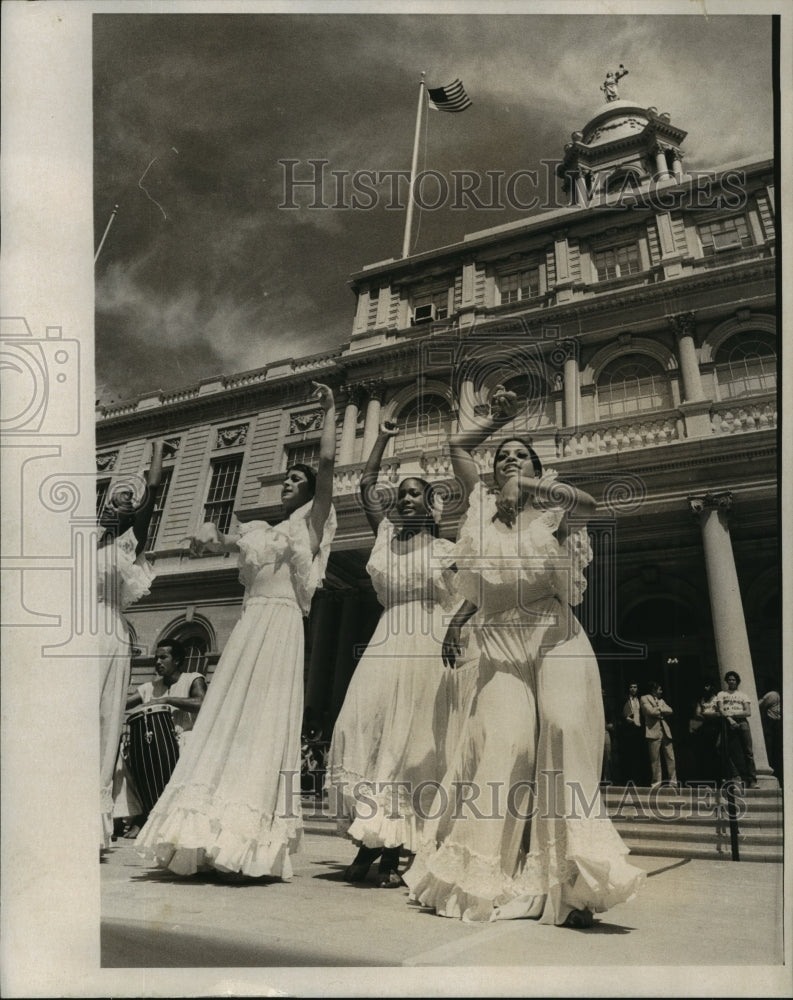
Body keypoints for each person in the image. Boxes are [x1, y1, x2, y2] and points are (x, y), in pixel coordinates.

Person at [404, 386, 645, 927]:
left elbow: (589, 504)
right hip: (500, 645)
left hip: (554, 636)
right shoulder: (481, 505)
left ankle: (573, 884)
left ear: (537, 467)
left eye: (521, 454)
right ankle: (488, 875)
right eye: (503, 456)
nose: (508, 459)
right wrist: (497, 419)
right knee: (505, 744)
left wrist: (529, 485)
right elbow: (458, 449)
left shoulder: (551, 505)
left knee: (560, 729)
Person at [135, 382, 337, 878]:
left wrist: (331, 413)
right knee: (229, 719)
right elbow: (224, 539)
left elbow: (329, 466)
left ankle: (246, 841)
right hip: (250, 627)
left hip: (282, 626)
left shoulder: (310, 526)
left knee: (264, 723)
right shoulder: (259, 531)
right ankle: (202, 835)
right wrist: (207, 539)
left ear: (310, 493)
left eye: (296, 478)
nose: (288, 483)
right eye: (286, 478)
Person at [326, 420, 460, 887]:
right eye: (401, 492)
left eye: (415, 493)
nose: (404, 498)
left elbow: (469, 597)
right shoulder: (384, 535)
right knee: (363, 725)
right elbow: (366, 484)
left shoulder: (446, 549)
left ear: (431, 503)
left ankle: (393, 849)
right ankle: (369, 837)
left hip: (428, 639)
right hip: (387, 638)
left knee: (412, 740)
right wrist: (382, 437)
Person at [98, 439, 164, 849]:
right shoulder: (83, 541)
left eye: (126, 500)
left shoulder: (126, 545)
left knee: (103, 720)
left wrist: (159, 452)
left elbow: (152, 497)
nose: (116, 504)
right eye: (113, 497)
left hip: (106, 633)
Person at [113, 640, 208, 837]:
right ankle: (141, 815)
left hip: (185, 740)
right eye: (156, 657)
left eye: (163, 657)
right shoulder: (149, 686)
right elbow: (122, 705)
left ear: (178, 660)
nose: (157, 661)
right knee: (123, 760)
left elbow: (202, 702)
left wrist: (166, 699)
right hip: (152, 744)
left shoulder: (193, 679)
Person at [715, 671, 758, 788]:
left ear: (737, 681)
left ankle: (752, 780)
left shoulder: (743, 695)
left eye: (733, 679)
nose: (731, 681)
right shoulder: (721, 694)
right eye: (729, 679)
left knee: (748, 751)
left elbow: (748, 712)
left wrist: (733, 714)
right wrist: (730, 719)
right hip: (727, 723)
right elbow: (721, 709)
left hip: (742, 722)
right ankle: (735, 775)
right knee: (722, 748)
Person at [640, 682, 677, 788]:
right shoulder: (644, 698)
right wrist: (661, 710)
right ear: (654, 690)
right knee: (655, 759)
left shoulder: (661, 701)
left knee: (670, 756)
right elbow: (650, 711)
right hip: (653, 731)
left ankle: (673, 782)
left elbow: (670, 710)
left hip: (665, 731)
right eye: (660, 689)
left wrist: (660, 709)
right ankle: (656, 782)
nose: (661, 692)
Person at [690, 680, 721, 783]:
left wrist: (706, 714)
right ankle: (708, 776)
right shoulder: (702, 699)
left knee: (717, 750)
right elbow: (697, 713)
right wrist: (709, 715)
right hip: (705, 728)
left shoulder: (717, 699)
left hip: (716, 728)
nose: (705, 688)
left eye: (707, 685)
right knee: (706, 751)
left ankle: (719, 777)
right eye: (704, 685)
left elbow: (719, 713)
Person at [620, 681, 646, 786]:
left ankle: (639, 780)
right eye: (631, 687)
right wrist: (625, 719)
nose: (633, 689)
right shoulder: (624, 700)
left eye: (635, 687)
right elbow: (620, 713)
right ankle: (629, 781)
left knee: (639, 756)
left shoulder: (640, 700)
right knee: (629, 756)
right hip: (628, 732)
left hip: (639, 731)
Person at [759, 688, 782, 783]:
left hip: (772, 724)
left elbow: (759, 705)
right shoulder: (774, 695)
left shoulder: (772, 694)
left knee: (771, 749)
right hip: (773, 724)